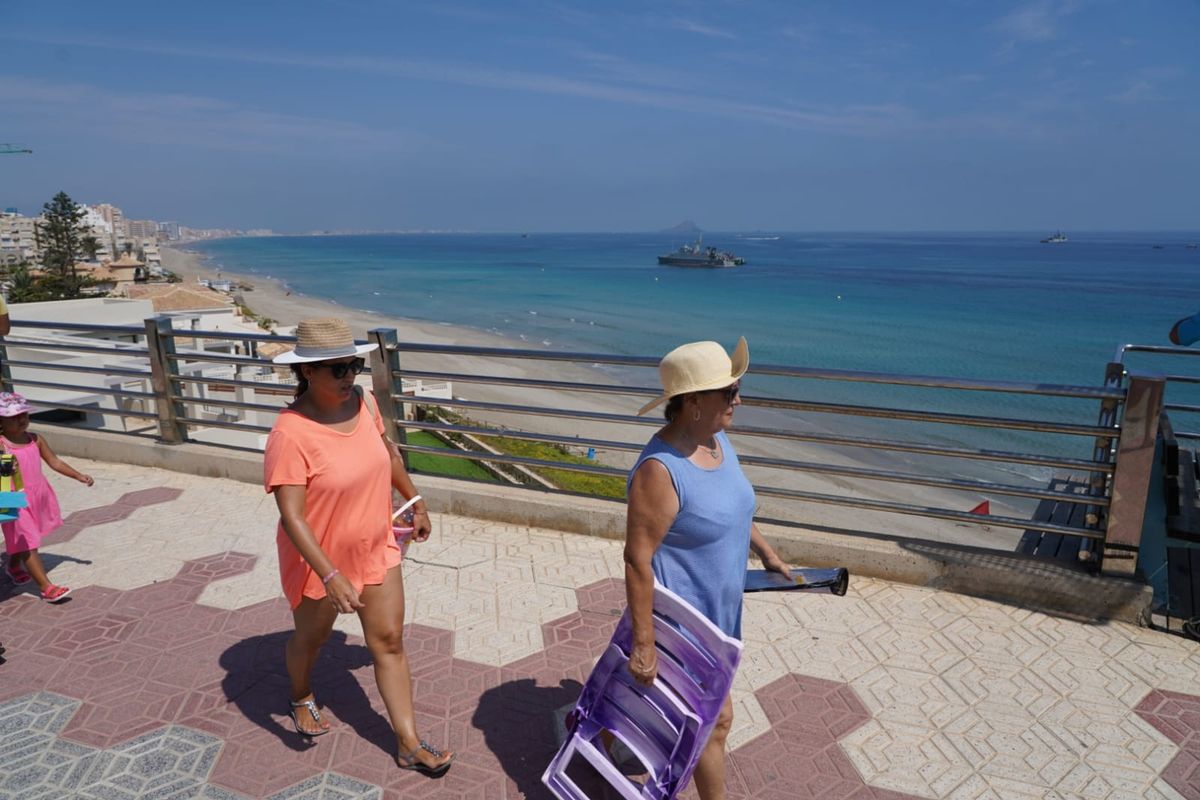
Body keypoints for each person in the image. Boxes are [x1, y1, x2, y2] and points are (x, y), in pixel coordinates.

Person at [264, 318, 453, 776]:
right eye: (337, 369)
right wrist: (329, 575)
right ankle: (301, 694)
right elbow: (292, 517)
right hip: (319, 562)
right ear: (307, 372)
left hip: (375, 545)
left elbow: (388, 455)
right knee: (312, 639)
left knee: (388, 641)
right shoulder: (290, 433)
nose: (349, 376)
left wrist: (415, 501)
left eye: (353, 366)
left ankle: (408, 743)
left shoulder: (365, 403)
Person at [624, 337, 790, 800]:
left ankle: (609, 728)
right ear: (693, 402)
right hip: (684, 622)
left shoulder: (716, 440)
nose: (739, 398)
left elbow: (734, 507)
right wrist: (644, 643)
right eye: (729, 392)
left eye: (737, 388)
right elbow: (637, 559)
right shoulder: (661, 470)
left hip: (722, 612)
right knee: (716, 721)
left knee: (689, 712)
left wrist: (767, 554)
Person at [0, 391, 93, 602]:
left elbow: (55, 462)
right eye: (13, 417)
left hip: (38, 494)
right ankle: (47, 588)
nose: (21, 419)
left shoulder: (35, 439)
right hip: (13, 498)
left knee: (24, 539)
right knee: (29, 540)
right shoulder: (2, 444)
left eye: (24, 414)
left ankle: (14, 566)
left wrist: (78, 475)